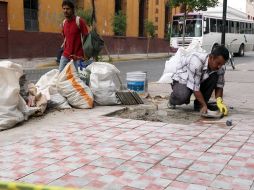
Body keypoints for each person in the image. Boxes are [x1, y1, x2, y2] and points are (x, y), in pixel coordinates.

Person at [168, 45, 229, 116]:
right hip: (182, 79)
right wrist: (204, 105)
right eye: (218, 63)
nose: (219, 66)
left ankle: (199, 105)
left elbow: (219, 85)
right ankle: (172, 100)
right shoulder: (196, 62)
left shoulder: (220, 67)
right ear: (211, 57)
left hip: (198, 81)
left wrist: (219, 102)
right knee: (183, 96)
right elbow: (195, 87)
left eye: (222, 64)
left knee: (214, 76)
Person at [59, 0, 89, 72]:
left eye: (68, 9)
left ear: (72, 10)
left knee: (81, 78)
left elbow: (86, 35)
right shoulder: (64, 23)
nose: (65, 11)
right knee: (60, 74)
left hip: (78, 56)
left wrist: (83, 51)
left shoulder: (79, 21)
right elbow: (65, 37)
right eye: (64, 8)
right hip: (66, 54)